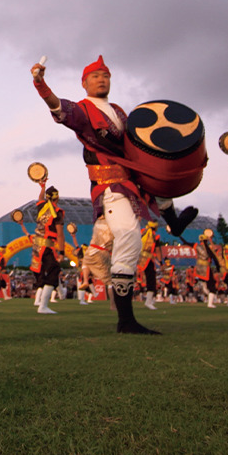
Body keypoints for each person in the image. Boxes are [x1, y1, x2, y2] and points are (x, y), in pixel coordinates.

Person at [31, 55, 194, 334]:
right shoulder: (83, 110)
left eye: (105, 75)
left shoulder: (118, 111)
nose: (102, 79)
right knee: (129, 236)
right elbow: (59, 108)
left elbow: (139, 142)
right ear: (84, 83)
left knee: (156, 180)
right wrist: (40, 84)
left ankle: (172, 220)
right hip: (110, 185)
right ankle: (125, 320)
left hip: (131, 179)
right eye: (95, 76)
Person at [16, 182, 65, 315]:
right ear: (57, 198)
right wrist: (61, 252)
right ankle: (43, 305)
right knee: (54, 272)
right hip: (47, 245)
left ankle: (43, 302)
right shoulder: (57, 212)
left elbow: (39, 199)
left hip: (37, 247)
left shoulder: (42, 208)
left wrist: (42, 186)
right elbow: (60, 234)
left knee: (44, 274)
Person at [136, 221, 162, 310]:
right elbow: (158, 250)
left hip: (139, 258)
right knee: (151, 280)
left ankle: (150, 300)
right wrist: (161, 262)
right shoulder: (155, 236)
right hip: (148, 260)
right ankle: (148, 301)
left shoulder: (142, 231)